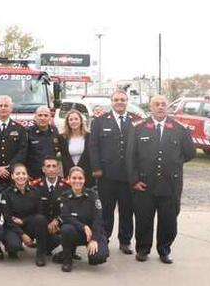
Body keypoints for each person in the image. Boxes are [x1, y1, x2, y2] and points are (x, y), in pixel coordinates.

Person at [127, 95, 196, 264]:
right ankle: (143, 249)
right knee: (143, 219)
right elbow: (130, 157)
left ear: (167, 107)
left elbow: (190, 153)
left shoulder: (179, 129)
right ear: (150, 107)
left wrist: (173, 163)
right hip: (144, 184)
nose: (160, 107)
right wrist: (134, 180)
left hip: (170, 185)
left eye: (163, 104)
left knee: (168, 221)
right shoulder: (138, 128)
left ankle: (164, 250)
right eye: (156, 104)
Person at [88, 89, 139, 255]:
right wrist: (96, 168)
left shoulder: (135, 121)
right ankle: (104, 239)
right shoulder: (100, 121)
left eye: (123, 100)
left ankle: (125, 241)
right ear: (111, 102)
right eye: (116, 99)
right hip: (106, 175)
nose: (119, 102)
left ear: (127, 101)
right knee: (106, 211)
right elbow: (93, 146)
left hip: (128, 176)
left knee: (127, 210)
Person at [0, 163, 50, 266]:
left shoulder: (36, 192)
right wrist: (23, 235)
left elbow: (39, 213)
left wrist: (24, 221)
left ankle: (40, 254)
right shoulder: (6, 194)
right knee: (13, 247)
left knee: (40, 219)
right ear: (12, 176)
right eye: (17, 174)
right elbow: (7, 219)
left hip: (30, 225)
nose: (21, 176)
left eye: (23, 173)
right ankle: (11, 247)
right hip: (13, 227)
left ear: (27, 176)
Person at [57, 166, 109, 272]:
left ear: (84, 179)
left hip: (93, 232)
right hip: (76, 233)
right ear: (69, 179)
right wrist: (83, 226)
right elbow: (66, 217)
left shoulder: (93, 195)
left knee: (98, 258)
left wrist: (94, 239)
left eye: (80, 178)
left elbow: (98, 219)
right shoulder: (65, 196)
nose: (77, 181)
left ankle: (65, 253)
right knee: (66, 229)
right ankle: (67, 259)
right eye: (74, 178)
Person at [29, 156, 69, 253]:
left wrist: (58, 220)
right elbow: (32, 208)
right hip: (41, 224)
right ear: (43, 169)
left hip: (59, 222)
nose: (51, 169)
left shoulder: (67, 186)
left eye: (54, 166)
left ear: (58, 169)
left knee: (67, 230)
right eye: (48, 166)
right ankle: (42, 247)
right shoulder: (35, 186)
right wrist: (45, 224)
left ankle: (69, 251)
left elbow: (70, 209)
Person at [58, 109, 92, 187]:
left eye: (76, 119)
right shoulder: (62, 138)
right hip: (69, 173)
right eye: (71, 119)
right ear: (67, 122)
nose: (74, 121)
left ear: (81, 121)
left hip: (87, 173)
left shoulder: (89, 136)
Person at [25, 105, 59, 180]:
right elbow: (22, 154)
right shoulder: (27, 132)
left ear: (50, 117)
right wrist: (24, 172)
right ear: (35, 117)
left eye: (46, 115)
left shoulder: (55, 131)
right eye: (40, 115)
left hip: (51, 175)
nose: (43, 118)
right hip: (32, 176)